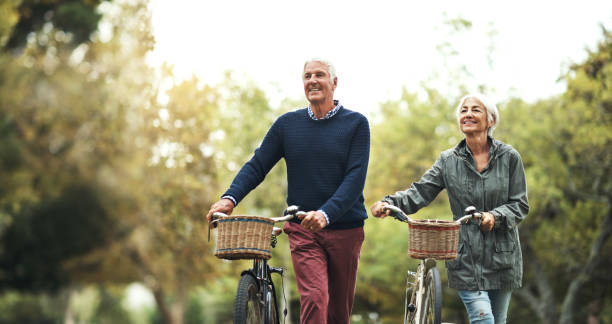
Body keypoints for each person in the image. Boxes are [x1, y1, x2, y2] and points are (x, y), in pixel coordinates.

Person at [206, 58, 370, 324]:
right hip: (303, 229)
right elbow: (257, 165)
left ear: (334, 83)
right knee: (315, 299)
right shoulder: (287, 125)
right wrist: (229, 198)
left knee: (338, 314)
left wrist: (326, 214)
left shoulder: (356, 124)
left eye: (320, 75)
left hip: (345, 230)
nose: (313, 80)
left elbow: (355, 179)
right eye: (307, 76)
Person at [371, 94, 529, 324]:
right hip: (465, 256)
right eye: (463, 110)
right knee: (483, 318)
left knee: (499, 320)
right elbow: (421, 191)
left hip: (502, 256)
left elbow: (520, 205)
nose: (468, 114)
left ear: (491, 120)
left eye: (476, 110)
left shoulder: (509, 157)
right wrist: (391, 203)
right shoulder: (448, 160)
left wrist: (494, 216)